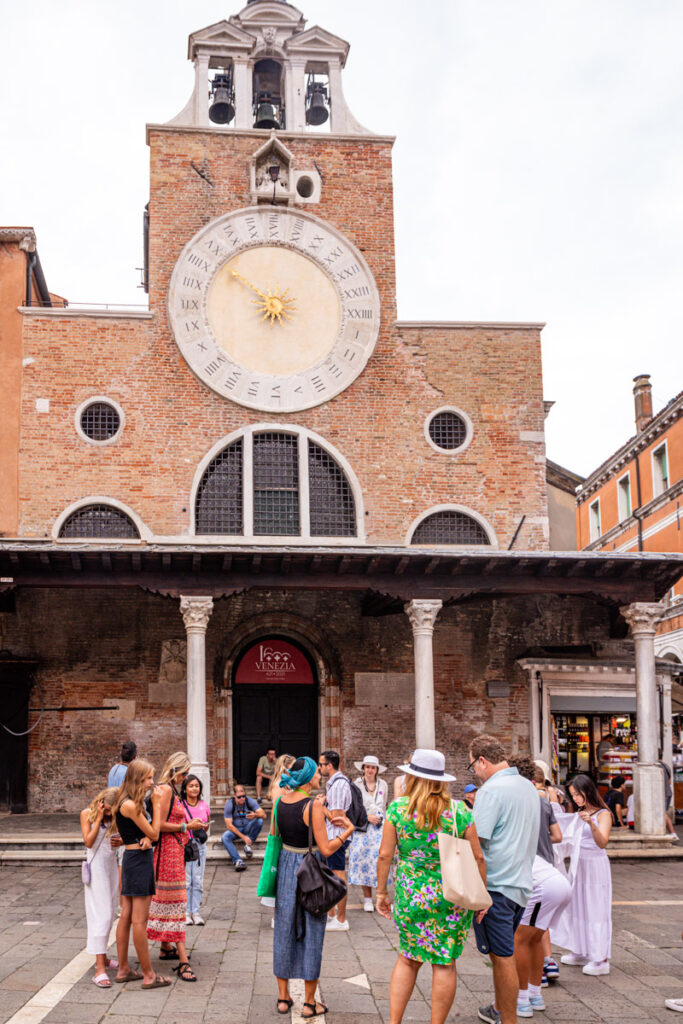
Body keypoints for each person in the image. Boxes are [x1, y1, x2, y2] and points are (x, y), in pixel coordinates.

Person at [376, 748, 486, 1024]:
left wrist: (381, 893)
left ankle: (394, 1022)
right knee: (444, 963)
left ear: (412, 778)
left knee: (407, 959)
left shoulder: (398, 810)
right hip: (450, 896)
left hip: (410, 895)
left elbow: (385, 855)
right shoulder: (460, 811)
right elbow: (478, 857)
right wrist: (481, 898)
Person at [273, 755, 354, 1019]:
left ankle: (283, 998)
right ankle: (309, 1002)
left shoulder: (279, 802)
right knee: (312, 931)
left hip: (286, 865)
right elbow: (328, 848)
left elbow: (276, 835)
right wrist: (347, 831)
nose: (321, 774)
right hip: (310, 869)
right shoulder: (312, 806)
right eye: (317, 772)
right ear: (308, 779)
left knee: (284, 928)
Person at [468, 734, 540, 1024]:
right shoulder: (527, 786)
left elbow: (477, 842)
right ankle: (500, 1009)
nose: (473, 771)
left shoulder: (491, 791)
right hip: (521, 882)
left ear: (483, 761)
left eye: (472, 765)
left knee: (502, 956)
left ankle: (507, 1019)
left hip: (496, 885)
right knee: (503, 954)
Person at [509, 758, 569, 1018]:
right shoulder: (544, 802)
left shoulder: (516, 801)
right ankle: (534, 994)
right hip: (550, 872)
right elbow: (557, 835)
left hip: (537, 878)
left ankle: (522, 998)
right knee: (534, 941)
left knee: (520, 940)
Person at [147, 752, 206, 982]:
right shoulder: (167, 790)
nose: (185, 778)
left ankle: (165, 946)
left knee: (170, 901)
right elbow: (159, 824)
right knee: (176, 903)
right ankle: (183, 961)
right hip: (168, 853)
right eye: (183, 773)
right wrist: (186, 826)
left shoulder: (168, 789)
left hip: (173, 850)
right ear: (176, 771)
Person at [112, 758, 169, 989]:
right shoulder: (131, 805)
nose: (151, 782)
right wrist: (156, 803)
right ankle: (149, 975)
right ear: (137, 779)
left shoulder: (124, 801)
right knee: (138, 920)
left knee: (126, 914)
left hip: (131, 857)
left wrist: (144, 837)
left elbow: (143, 833)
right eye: (147, 778)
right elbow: (155, 833)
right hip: (139, 862)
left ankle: (124, 968)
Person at [554, 773, 612, 976]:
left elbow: (603, 842)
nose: (577, 799)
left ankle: (600, 957)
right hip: (579, 863)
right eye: (573, 795)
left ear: (588, 791)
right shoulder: (579, 812)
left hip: (595, 864)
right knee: (577, 906)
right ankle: (580, 949)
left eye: (579, 794)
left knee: (596, 908)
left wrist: (591, 824)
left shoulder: (603, 814)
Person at [80, 786, 121, 987]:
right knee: (101, 915)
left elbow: (118, 841)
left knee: (110, 913)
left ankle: (103, 958)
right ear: (101, 803)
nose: (108, 815)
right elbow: (88, 841)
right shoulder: (87, 814)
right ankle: (99, 969)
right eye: (106, 810)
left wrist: (120, 840)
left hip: (110, 867)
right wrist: (98, 819)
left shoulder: (113, 818)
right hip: (96, 871)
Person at [348, 754, 390, 912]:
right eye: (367, 767)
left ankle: (381, 894)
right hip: (364, 828)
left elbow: (384, 805)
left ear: (377, 770)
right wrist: (366, 817)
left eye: (373, 767)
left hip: (380, 828)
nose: (370, 770)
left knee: (380, 861)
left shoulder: (383, 785)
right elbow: (353, 808)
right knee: (364, 862)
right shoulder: (356, 785)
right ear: (363, 768)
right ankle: (367, 898)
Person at [318, 749, 352, 930]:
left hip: (337, 836)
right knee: (332, 876)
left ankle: (341, 919)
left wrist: (320, 806)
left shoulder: (338, 785)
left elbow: (337, 818)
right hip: (332, 836)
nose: (319, 768)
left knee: (338, 876)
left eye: (321, 764)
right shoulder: (335, 784)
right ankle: (332, 915)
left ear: (329, 766)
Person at [180, 773, 211, 926]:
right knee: (186, 880)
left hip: (200, 844)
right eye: (191, 786)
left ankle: (196, 912)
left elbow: (207, 825)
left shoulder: (204, 805)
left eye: (196, 786)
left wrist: (204, 826)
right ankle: (185, 912)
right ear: (185, 789)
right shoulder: (180, 806)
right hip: (186, 845)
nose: (194, 788)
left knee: (198, 880)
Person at [222, 783, 266, 870]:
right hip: (236, 830)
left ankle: (248, 846)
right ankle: (238, 860)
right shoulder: (230, 804)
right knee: (225, 837)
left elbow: (264, 815)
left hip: (247, 827)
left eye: (243, 796)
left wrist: (255, 815)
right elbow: (229, 825)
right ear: (234, 795)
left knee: (259, 820)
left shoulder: (249, 801)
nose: (242, 798)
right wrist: (244, 837)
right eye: (239, 797)